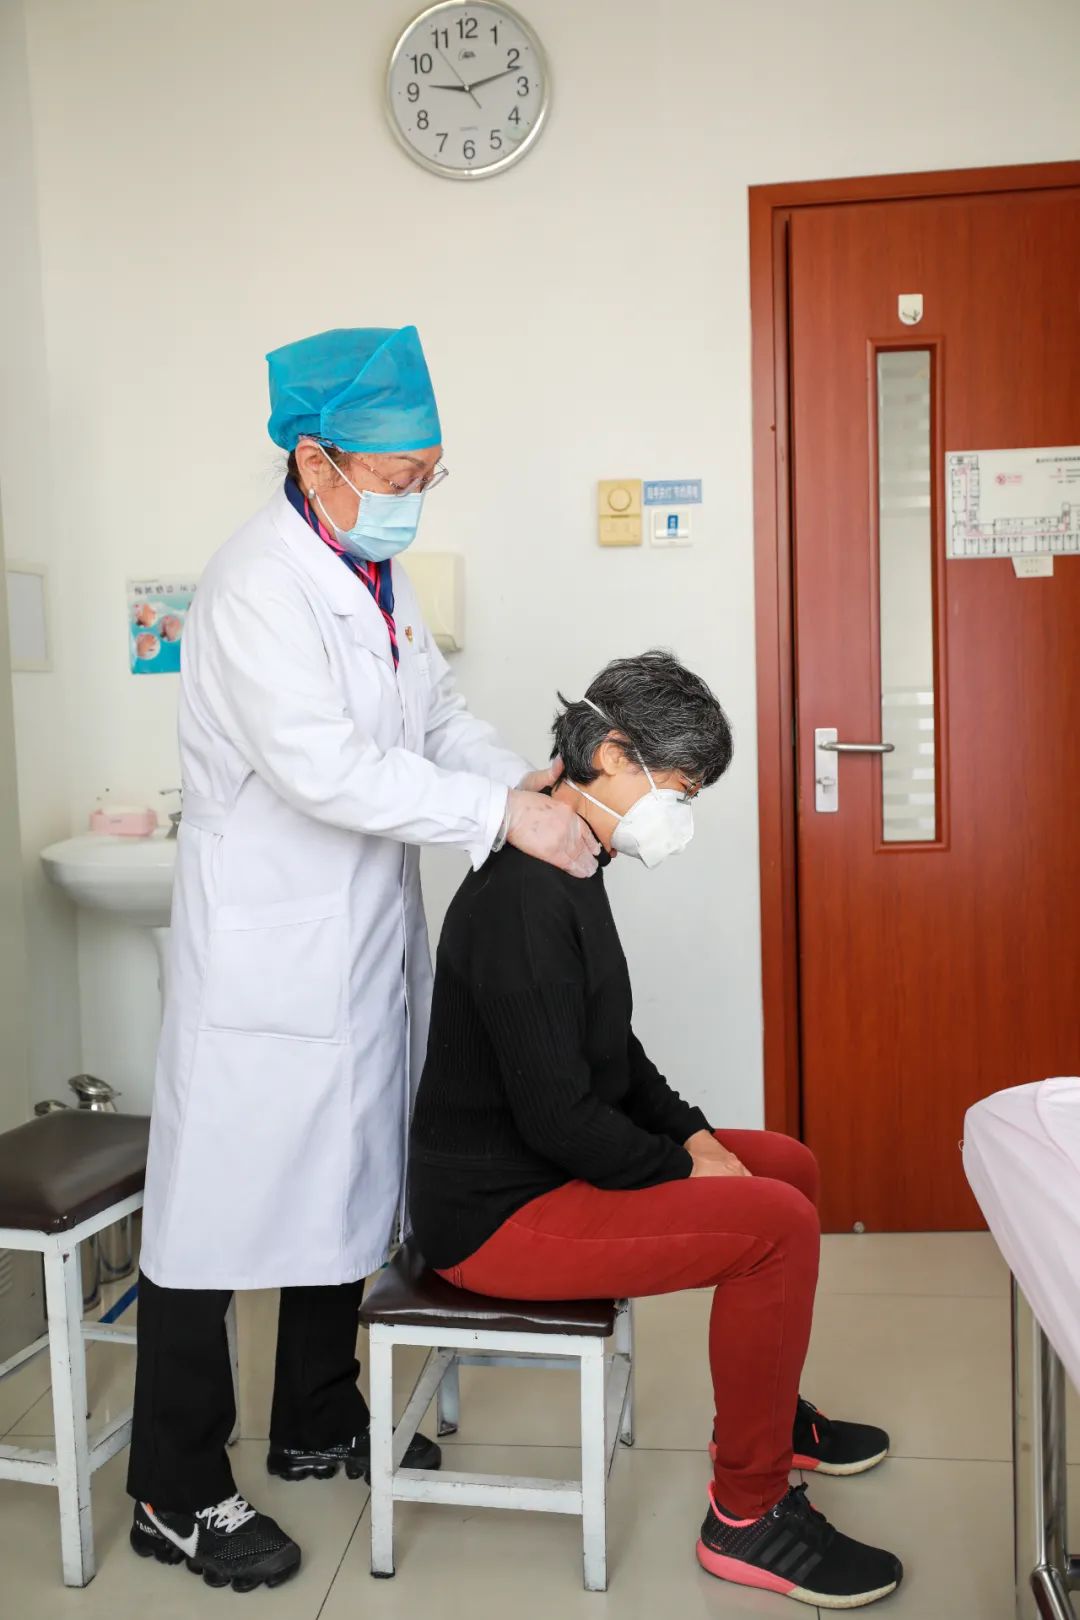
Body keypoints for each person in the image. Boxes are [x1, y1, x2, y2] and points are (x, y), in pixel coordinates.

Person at [127, 326, 599, 1591]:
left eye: (429, 476)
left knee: (344, 1175)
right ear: (315, 459)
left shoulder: (371, 577)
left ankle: (317, 1415)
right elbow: (323, 768)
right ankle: (175, 1487)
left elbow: (433, 717)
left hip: (356, 939)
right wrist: (499, 819)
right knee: (214, 1214)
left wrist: (517, 780)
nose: (414, 498)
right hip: (264, 951)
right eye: (398, 478)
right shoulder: (256, 585)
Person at [409, 651, 904, 1610]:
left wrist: (698, 1139)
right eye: (678, 788)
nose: (680, 813)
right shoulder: (520, 899)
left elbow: (613, 1051)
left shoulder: (571, 859)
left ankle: (766, 1417)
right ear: (610, 753)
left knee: (786, 1170)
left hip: (547, 1166)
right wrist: (682, 1169)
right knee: (775, 1227)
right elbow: (561, 1119)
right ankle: (748, 1514)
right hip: (494, 1212)